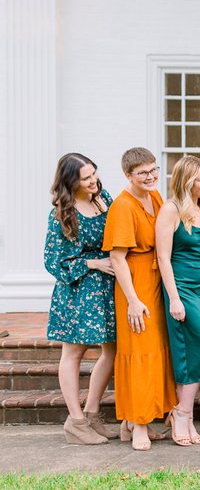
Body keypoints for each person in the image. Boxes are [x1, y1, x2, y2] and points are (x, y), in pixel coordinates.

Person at [103, 148, 176, 450]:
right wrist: (132, 300)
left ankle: (129, 424)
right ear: (128, 175)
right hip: (135, 286)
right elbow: (117, 258)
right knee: (139, 355)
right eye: (143, 173)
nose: (151, 177)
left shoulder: (156, 197)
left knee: (156, 353)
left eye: (153, 170)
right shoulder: (122, 206)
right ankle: (139, 426)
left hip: (156, 282)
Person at [44, 153, 117, 445]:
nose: (93, 181)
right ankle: (75, 422)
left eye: (94, 174)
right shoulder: (63, 212)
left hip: (107, 288)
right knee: (73, 354)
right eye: (86, 178)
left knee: (112, 350)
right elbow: (53, 261)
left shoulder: (104, 199)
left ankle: (93, 413)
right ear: (70, 180)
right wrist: (93, 263)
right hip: (77, 291)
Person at [155, 155, 200, 446]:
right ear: (186, 180)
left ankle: (187, 417)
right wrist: (174, 299)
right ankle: (181, 414)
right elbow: (162, 257)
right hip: (182, 289)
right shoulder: (170, 210)